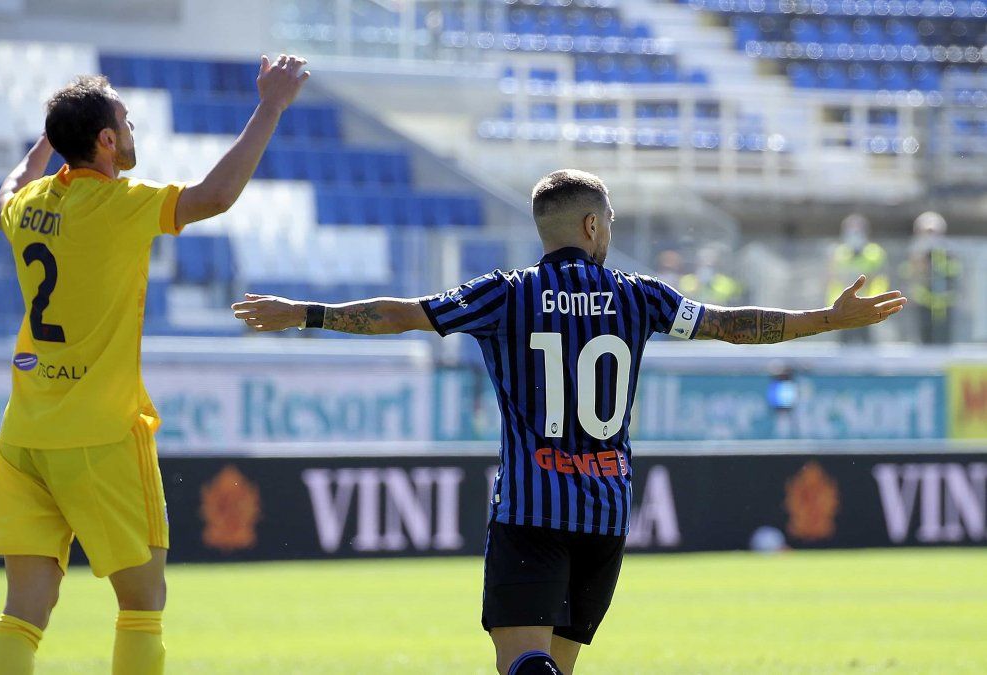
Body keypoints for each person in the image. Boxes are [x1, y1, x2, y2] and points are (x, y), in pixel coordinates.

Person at [231, 169, 907, 675]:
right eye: (608, 221)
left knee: (523, 667)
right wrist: (827, 319)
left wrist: (307, 313)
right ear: (592, 227)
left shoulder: (504, 294)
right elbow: (733, 327)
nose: (609, 232)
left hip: (531, 512)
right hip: (606, 519)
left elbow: (401, 314)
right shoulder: (641, 297)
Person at [0, 55, 310, 675]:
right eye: (125, 123)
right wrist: (271, 105)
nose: (132, 131)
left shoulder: (26, 208)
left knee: (22, 611)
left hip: (23, 436)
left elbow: (5, 191)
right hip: (100, 434)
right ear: (106, 141)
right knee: (141, 603)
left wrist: (43, 146)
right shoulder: (121, 204)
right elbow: (215, 196)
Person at [825, 213, 889, 344]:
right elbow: (832, 279)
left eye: (857, 230)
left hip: (866, 307)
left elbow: (880, 278)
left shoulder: (875, 252)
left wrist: (873, 302)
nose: (854, 234)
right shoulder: (838, 253)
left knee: (867, 343)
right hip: (842, 308)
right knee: (844, 344)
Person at [899, 211, 962, 344]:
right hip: (920, 305)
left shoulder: (949, 252)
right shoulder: (913, 252)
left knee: (944, 341)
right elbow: (907, 275)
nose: (929, 236)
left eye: (932, 232)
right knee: (922, 341)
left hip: (944, 306)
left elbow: (954, 273)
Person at [679, 245, 743, 307]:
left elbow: (735, 300)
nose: (707, 264)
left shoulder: (726, 282)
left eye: (710, 262)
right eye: (703, 261)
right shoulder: (686, 280)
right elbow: (683, 300)